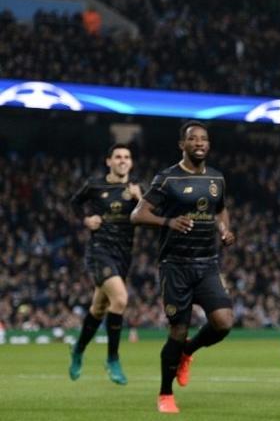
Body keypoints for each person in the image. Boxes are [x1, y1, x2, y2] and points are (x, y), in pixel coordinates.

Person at [130, 121, 236, 414]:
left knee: (224, 322)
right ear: (183, 145)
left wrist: (225, 229)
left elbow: (219, 209)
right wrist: (168, 222)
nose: (199, 143)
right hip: (175, 266)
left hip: (207, 263)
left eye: (204, 139)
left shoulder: (217, 179)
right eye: (193, 139)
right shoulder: (167, 179)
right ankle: (165, 394)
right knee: (178, 330)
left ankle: (189, 351)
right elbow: (137, 215)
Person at [68, 143, 142, 385]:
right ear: (108, 161)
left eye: (127, 157)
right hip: (100, 251)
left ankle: (78, 349)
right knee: (120, 299)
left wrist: (140, 199)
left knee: (99, 309)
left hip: (123, 256)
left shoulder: (138, 188)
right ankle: (113, 359)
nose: (122, 160)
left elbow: (152, 215)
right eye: (118, 157)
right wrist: (86, 219)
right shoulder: (94, 185)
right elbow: (74, 204)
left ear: (130, 163)